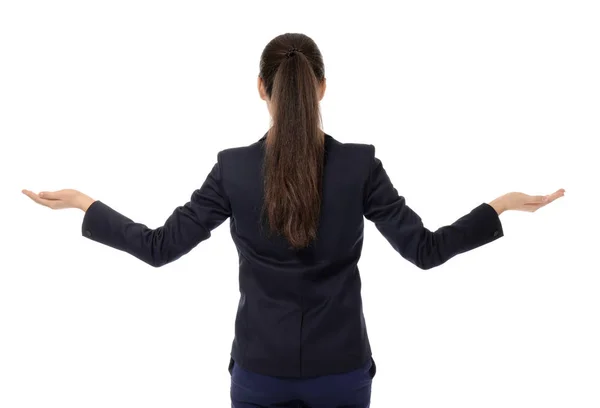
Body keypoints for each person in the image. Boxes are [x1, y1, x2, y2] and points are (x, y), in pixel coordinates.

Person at [22, 32, 565, 408]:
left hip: (260, 373)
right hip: (342, 372)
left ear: (263, 89)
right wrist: (498, 208)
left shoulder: (233, 170)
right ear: (321, 88)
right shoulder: (359, 165)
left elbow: (160, 246)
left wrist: (85, 205)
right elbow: (425, 250)